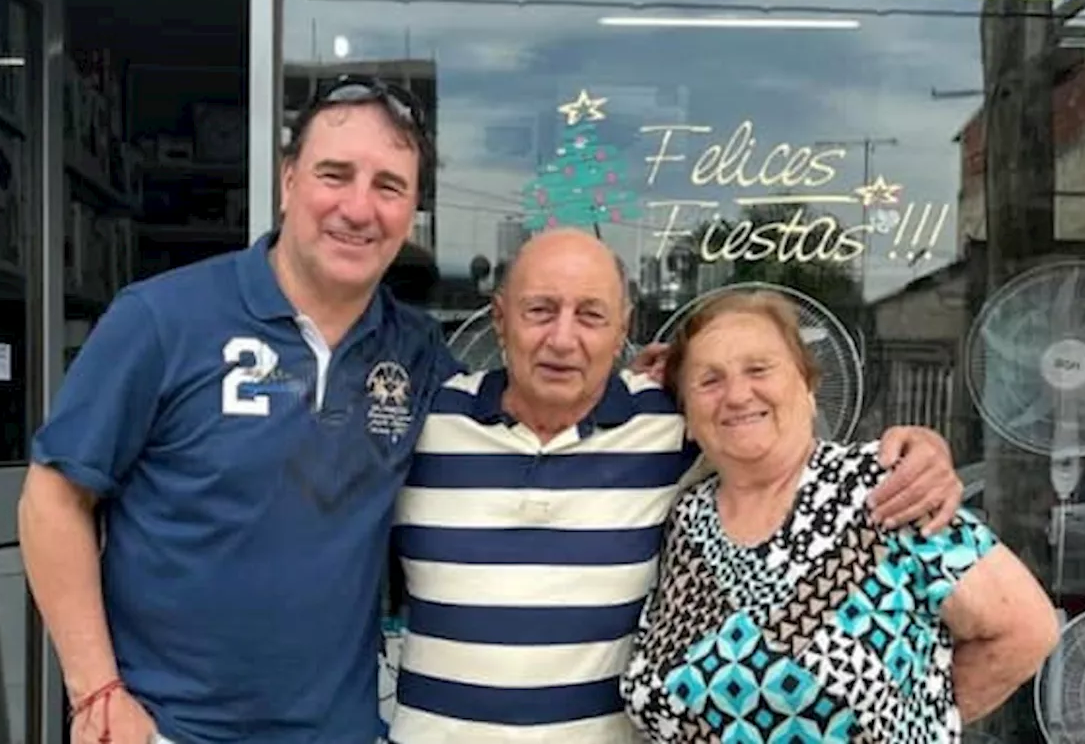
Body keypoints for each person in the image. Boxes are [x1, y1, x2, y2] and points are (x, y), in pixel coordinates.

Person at [386, 228, 966, 743]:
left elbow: (784, 449)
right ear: (499, 318)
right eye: (540, 310)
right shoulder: (420, 424)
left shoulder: (676, 426)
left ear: (624, 330)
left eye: (591, 315)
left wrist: (917, 451)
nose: (563, 339)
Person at [18, 76, 461, 744]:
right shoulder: (161, 317)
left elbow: (517, 424)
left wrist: (661, 378)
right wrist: (96, 690)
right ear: (288, 181)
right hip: (168, 730)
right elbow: (52, 499)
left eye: (388, 186)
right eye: (333, 174)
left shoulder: (418, 352)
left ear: (412, 210)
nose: (358, 207)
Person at [619, 290, 1060, 742]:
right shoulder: (683, 520)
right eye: (708, 380)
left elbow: (1026, 629)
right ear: (687, 416)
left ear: (808, 389)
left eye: (759, 369)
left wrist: (911, 724)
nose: (736, 395)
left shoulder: (883, 488)